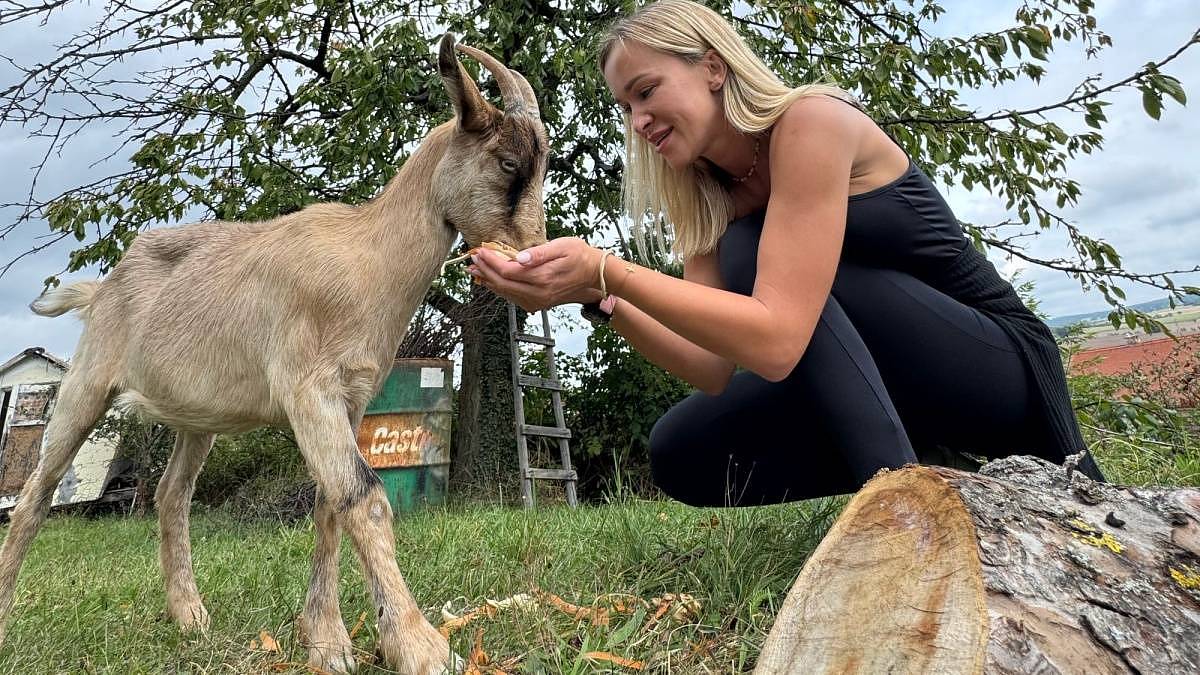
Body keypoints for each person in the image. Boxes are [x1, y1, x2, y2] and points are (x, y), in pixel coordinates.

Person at [469, 0, 1105, 506]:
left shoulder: (811, 123)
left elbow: (775, 340)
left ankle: (900, 511)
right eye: (625, 106)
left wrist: (611, 267)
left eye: (647, 90)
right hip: (900, 397)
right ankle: (931, 472)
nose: (638, 120)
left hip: (997, 371)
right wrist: (597, 294)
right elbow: (710, 365)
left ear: (713, 68)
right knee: (682, 448)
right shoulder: (711, 200)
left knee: (753, 250)